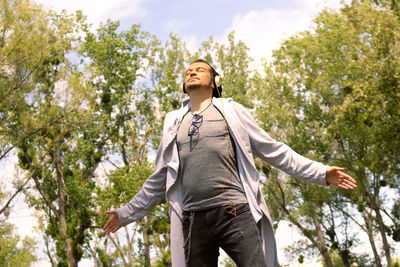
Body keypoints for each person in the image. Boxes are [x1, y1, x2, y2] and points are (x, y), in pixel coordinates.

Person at [103, 59, 357, 267]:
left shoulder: (231, 111)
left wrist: (321, 172)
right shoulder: (173, 121)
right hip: (193, 220)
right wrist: (125, 213)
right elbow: (160, 177)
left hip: (234, 212)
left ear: (214, 83)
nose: (192, 72)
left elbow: (275, 150)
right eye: (188, 71)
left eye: (199, 69)